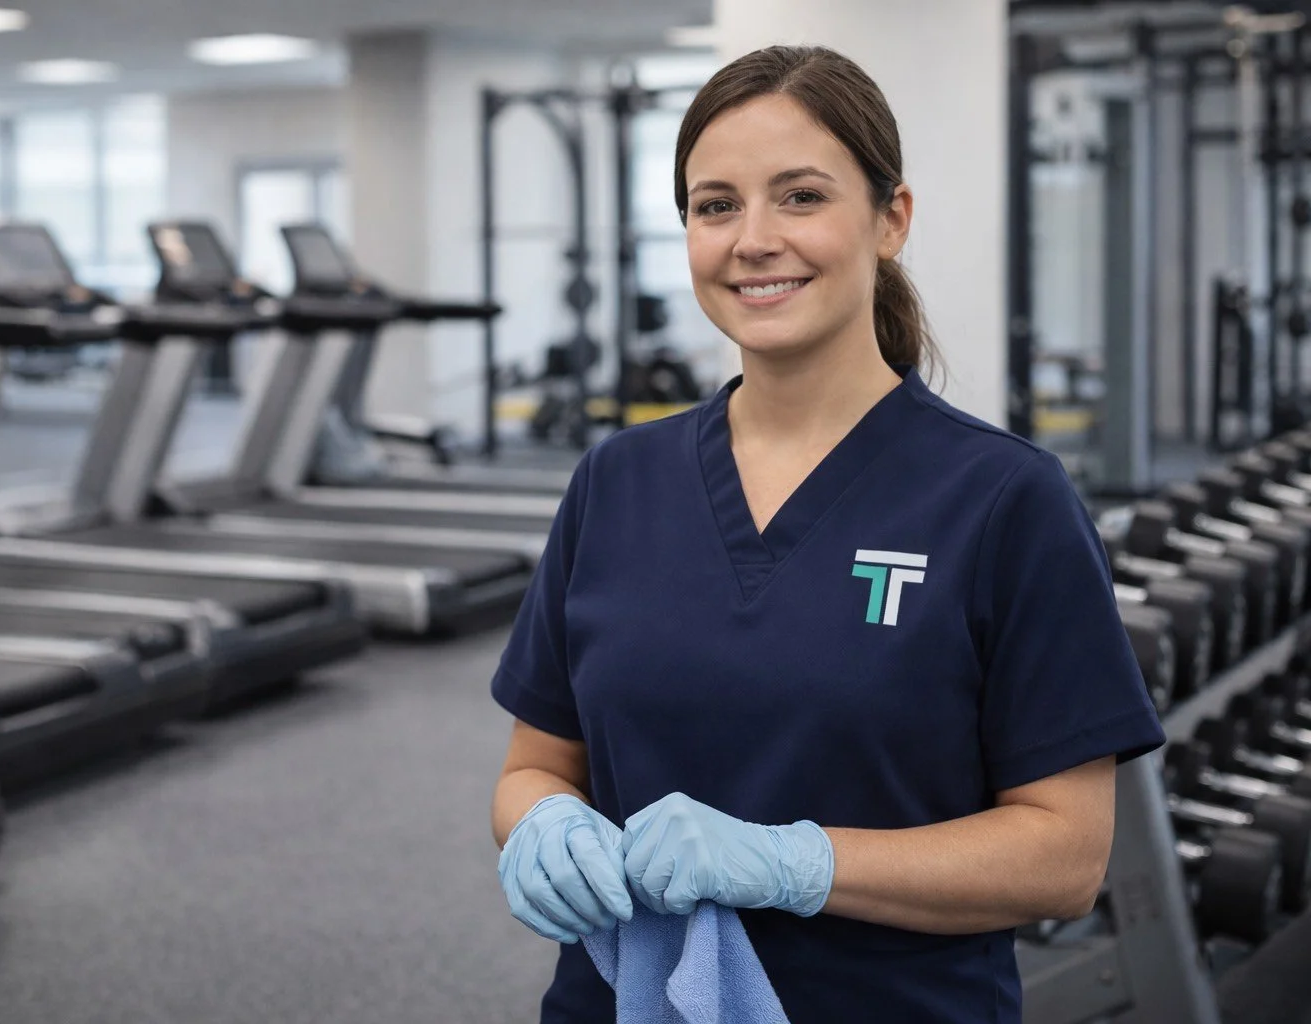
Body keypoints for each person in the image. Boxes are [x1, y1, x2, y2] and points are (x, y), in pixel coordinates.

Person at [488, 44, 1166, 1023]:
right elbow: (533, 766)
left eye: (800, 196)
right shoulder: (615, 481)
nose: (753, 238)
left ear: (891, 218)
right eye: (715, 205)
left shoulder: (1005, 500)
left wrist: (793, 861)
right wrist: (542, 823)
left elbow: (1063, 856)